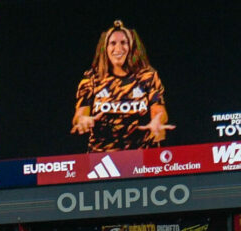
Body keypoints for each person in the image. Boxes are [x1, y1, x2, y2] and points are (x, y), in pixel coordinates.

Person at [72, 20, 173, 151]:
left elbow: (158, 110)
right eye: (112, 43)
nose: (118, 49)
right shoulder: (91, 78)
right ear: (105, 48)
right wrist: (83, 120)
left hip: (142, 157)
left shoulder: (147, 76)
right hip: (101, 159)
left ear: (132, 46)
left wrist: (158, 121)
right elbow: (80, 114)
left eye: (123, 43)